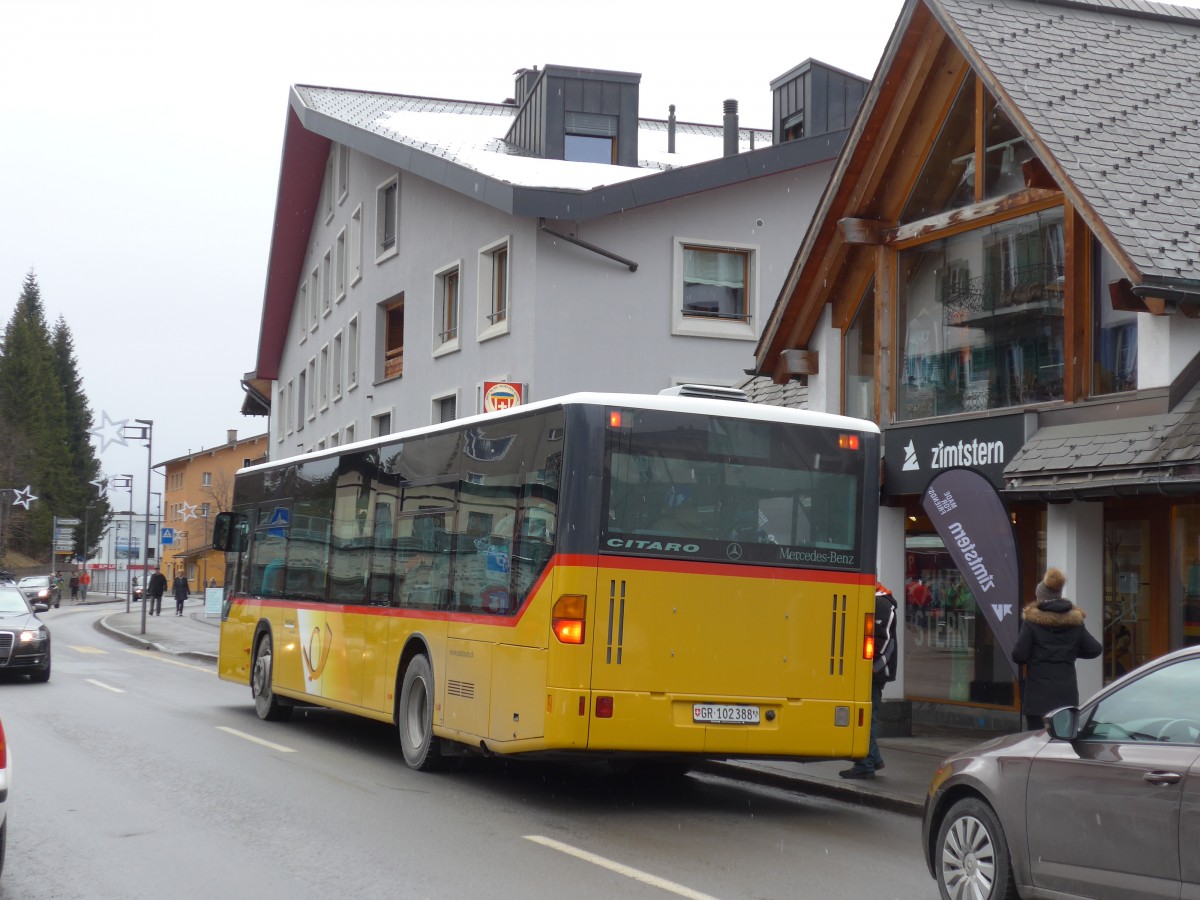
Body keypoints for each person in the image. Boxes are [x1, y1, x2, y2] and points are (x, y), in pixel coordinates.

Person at [1012, 567, 1102, 730]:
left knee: (1036, 740)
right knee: (1063, 739)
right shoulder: (1075, 622)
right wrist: (1069, 651)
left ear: (1041, 597)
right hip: (1066, 696)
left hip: (1037, 697)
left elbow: (1019, 655)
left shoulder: (1032, 622)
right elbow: (1095, 649)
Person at [840, 583, 899, 780]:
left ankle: (865, 765)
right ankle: (873, 760)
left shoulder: (880, 603)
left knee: (866, 719)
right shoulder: (878, 601)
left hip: (873, 671)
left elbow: (882, 639)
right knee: (867, 717)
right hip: (874, 670)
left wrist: (870, 666)